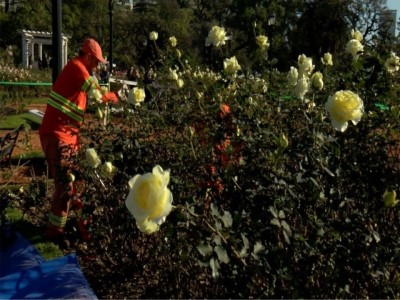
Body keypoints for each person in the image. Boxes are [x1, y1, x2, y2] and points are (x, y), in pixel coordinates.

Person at [39, 38, 118, 242]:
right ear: (89, 56)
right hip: (57, 134)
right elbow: (97, 94)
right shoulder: (77, 68)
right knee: (65, 184)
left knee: (77, 182)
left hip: (68, 136)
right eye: (97, 60)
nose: (98, 65)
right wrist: (116, 96)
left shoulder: (79, 70)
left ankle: (79, 227)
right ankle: (55, 233)